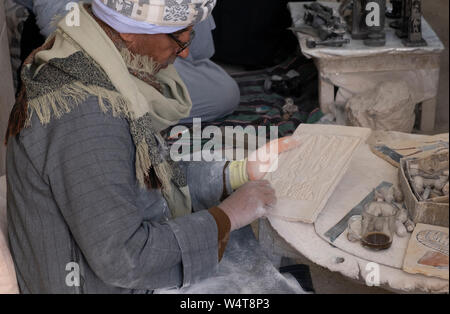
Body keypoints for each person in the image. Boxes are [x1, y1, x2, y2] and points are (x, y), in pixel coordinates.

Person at [4, 0, 301, 293]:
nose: (184, 53)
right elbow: (124, 260)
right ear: (130, 31)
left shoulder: (100, 62)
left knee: (261, 253)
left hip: (112, 263)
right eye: (178, 38)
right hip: (97, 284)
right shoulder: (86, 114)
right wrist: (227, 217)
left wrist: (236, 172)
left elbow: (141, 172)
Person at [13, 0, 240, 123]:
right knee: (222, 91)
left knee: (219, 85)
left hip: (144, 42)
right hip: (104, 52)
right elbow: (70, 34)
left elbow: (199, 51)